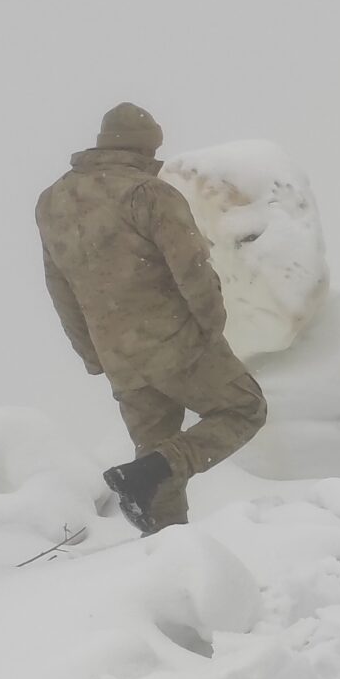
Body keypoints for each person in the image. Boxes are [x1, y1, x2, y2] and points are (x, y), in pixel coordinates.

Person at [35, 103, 268, 535]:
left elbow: (60, 289)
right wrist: (210, 328)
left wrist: (92, 354)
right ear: (146, 148)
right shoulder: (148, 193)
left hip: (119, 357)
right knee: (244, 408)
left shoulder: (52, 202)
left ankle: (163, 549)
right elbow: (192, 268)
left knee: (152, 465)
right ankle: (163, 469)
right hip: (175, 343)